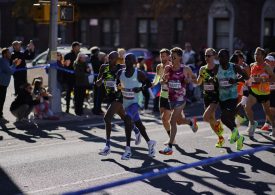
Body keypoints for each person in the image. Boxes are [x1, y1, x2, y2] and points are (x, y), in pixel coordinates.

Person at [96, 51, 141, 156]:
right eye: (109, 58)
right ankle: (136, 130)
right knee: (125, 118)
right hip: (110, 96)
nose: (110, 60)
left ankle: (107, 146)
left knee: (107, 118)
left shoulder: (120, 68)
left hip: (120, 96)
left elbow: (133, 71)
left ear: (116, 59)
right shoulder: (103, 67)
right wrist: (101, 79)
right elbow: (97, 83)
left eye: (112, 59)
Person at [159, 47, 198, 155]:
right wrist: (164, 80)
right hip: (170, 98)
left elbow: (196, 80)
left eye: (174, 56)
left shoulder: (185, 69)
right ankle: (191, 122)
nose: (171, 58)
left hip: (181, 99)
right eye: (171, 56)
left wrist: (189, 79)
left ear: (180, 57)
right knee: (179, 121)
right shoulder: (167, 68)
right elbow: (163, 81)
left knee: (172, 121)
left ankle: (170, 147)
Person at [117, 53, 156, 160]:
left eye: (129, 59)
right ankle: (150, 142)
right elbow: (117, 84)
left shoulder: (139, 73)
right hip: (126, 102)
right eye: (125, 59)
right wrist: (118, 87)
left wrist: (140, 88)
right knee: (138, 123)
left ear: (134, 62)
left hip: (136, 101)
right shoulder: (120, 72)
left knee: (128, 119)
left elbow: (149, 84)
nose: (126, 61)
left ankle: (128, 149)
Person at [217, 49, 248, 150]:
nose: (221, 58)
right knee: (229, 119)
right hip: (222, 98)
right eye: (219, 56)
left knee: (223, 118)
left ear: (227, 57)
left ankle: (236, 134)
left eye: (223, 56)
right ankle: (239, 139)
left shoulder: (234, 67)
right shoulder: (217, 68)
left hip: (232, 97)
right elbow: (213, 79)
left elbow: (246, 77)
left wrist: (235, 80)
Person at [195, 48, 224, 148]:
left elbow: (223, 82)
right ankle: (220, 137)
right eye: (205, 56)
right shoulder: (202, 69)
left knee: (205, 117)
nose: (206, 58)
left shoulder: (218, 68)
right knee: (211, 118)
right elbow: (199, 82)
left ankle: (220, 129)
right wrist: (191, 79)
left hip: (216, 96)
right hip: (206, 96)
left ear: (214, 56)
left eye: (209, 56)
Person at [245, 47, 275, 138]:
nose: (256, 56)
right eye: (255, 54)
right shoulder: (252, 65)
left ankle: (273, 127)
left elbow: (273, 78)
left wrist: (263, 80)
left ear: (263, 56)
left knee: (268, 112)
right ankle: (252, 123)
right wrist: (248, 81)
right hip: (254, 91)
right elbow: (251, 78)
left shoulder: (267, 66)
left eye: (258, 54)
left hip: (264, 93)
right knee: (247, 107)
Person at [152, 48, 174, 144]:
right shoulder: (158, 67)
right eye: (161, 56)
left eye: (164, 56)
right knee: (163, 119)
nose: (162, 58)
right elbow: (157, 79)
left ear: (169, 56)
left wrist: (166, 81)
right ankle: (172, 136)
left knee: (166, 118)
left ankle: (172, 139)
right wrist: (152, 84)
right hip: (162, 94)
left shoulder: (172, 66)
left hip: (171, 95)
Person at [259, 54, 275, 134]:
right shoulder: (265, 70)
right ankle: (268, 123)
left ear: (273, 62)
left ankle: (272, 126)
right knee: (267, 109)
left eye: (268, 61)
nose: (266, 62)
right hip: (267, 91)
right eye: (266, 61)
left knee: (272, 109)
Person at [64, 41, 81, 113]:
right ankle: (67, 108)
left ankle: (77, 109)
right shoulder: (68, 55)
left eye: (79, 47)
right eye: (77, 47)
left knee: (77, 94)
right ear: (73, 48)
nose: (78, 49)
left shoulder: (80, 55)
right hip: (70, 77)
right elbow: (66, 66)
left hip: (78, 78)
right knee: (68, 93)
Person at [0, 48, 14, 123]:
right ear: (5, 54)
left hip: (3, 84)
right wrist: (15, 64)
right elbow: (10, 71)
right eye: (9, 53)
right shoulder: (3, 61)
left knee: (2, 100)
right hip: (1, 84)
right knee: (1, 100)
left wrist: (14, 65)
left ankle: (0, 115)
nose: (10, 54)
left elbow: (8, 69)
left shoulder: (5, 61)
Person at [90, 46, 104, 115]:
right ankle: (96, 109)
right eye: (98, 51)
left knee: (99, 95)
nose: (99, 53)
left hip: (99, 79)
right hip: (97, 80)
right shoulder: (93, 59)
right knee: (97, 95)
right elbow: (98, 69)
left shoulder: (97, 59)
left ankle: (98, 108)